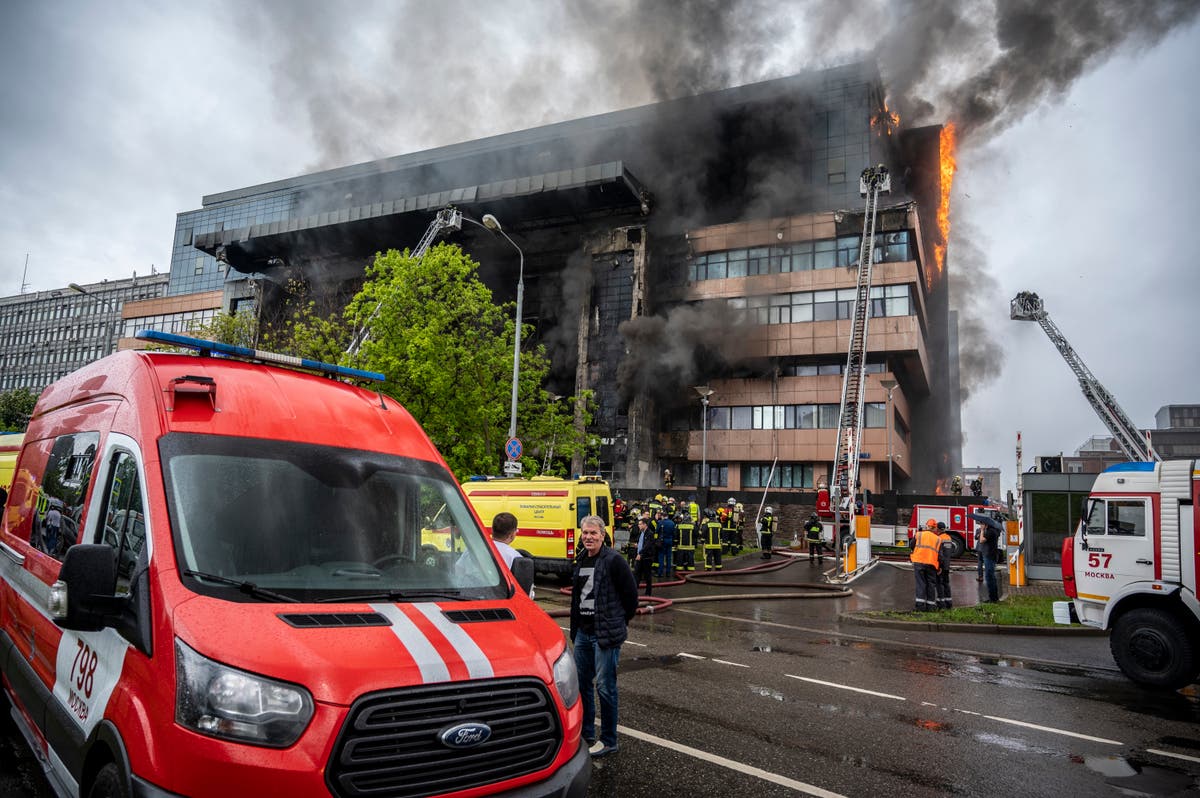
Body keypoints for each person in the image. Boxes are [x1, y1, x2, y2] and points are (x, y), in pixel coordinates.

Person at [570, 515, 639, 757]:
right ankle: (587, 732)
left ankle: (609, 740)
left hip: (605, 635)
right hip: (583, 633)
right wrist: (575, 627)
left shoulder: (613, 560)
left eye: (593, 533)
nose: (588, 537)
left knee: (606, 687)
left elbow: (631, 595)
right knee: (582, 685)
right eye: (585, 533)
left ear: (603, 535)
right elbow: (577, 598)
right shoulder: (581, 559)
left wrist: (619, 622)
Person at [491, 512, 534, 598]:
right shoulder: (515, 557)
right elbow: (522, 592)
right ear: (512, 535)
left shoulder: (474, 550)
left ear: (492, 530)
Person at [910, 519, 942, 611]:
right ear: (935, 528)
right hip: (932, 564)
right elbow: (940, 555)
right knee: (931, 584)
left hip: (919, 562)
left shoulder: (919, 534)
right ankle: (931, 606)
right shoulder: (938, 539)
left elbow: (911, 545)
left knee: (921, 584)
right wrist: (940, 567)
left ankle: (920, 606)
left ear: (927, 526)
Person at [971, 512, 1002, 602]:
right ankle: (993, 597)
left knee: (989, 577)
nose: (980, 525)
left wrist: (981, 531)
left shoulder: (991, 531)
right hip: (988, 555)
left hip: (989, 556)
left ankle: (993, 598)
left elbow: (981, 540)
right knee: (990, 577)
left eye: (981, 523)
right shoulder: (991, 530)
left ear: (985, 524)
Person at [632, 517, 656, 596]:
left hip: (646, 558)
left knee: (647, 576)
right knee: (636, 574)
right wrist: (637, 545)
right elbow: (641, 542)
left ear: (645, 525)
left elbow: (647, 545)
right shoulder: (641, 533)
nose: (638, 526)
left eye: (640, 524)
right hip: (639, 557)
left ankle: (648, 593)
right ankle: (634, 592)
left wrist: (641, 553)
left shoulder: (650, 533)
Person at [935, 522, 953, 609]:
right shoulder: (948, 538)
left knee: (939, 584)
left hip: (941, 565)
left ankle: (941, 603)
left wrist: (939, 567)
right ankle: (949, 602)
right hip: (947, 565)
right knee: (946, 583)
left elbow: (940, 554)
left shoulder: (939, 538)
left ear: (938, 529)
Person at [654, 509, 675, 577]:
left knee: (661, 557)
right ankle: (668, 573)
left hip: (662, 542)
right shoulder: (672, 523)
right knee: (669, 557)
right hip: (670, 541)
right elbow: (674, 533)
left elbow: (656, 531)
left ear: (662, 516)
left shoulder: (660, 522)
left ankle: (660, 573)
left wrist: (655, 540)